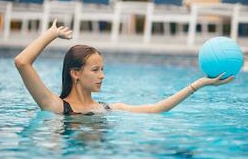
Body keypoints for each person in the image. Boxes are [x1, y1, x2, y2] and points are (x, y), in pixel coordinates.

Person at [14, 20, 234, 115]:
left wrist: (199, 84)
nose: (102, 75)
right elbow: (22, 62)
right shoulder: (55, 106)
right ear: (75, 73)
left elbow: (156, 109)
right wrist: (51, 34)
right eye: (95, 70)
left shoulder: (108, 108)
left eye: (103, 69)